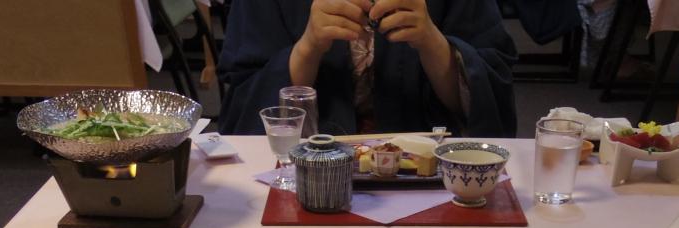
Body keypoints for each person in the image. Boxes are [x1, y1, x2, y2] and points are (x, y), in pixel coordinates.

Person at [218, 0, 517, 138]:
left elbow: (490, 96)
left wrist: (431, 42)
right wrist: (308, 48)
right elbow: (243, 107)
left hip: (429, 173)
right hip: (306, 172)